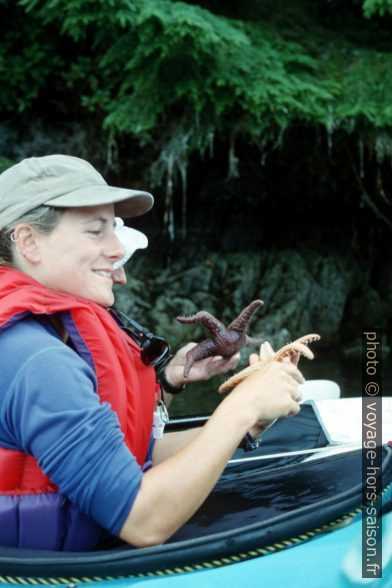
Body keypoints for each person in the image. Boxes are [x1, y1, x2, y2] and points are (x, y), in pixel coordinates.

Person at [0, 155, 304, 551]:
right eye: (96, 232)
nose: (115, 250)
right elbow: (143, 521)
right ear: (28, 242)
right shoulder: (37, 360)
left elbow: (135, 460)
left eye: (114, 230)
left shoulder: (47, 336)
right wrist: (241, 407)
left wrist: (247, 425)